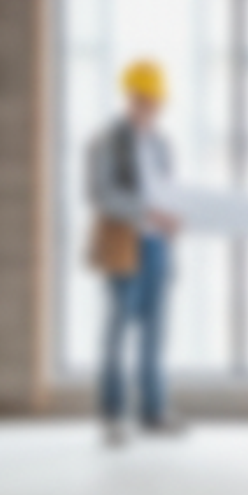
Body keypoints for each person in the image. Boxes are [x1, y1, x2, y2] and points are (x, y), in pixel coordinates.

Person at [88, 59, 181, 444]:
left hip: (158, 245)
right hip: (123, 246)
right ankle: (112, 415)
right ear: (130, 98)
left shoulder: (162, 143)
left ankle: (153, 411)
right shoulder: (105, 142)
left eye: (156, 102)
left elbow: (170, 191)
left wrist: (175, 217)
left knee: (155, 334)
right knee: (117, 330)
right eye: (143, 100)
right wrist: (147, 211)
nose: (150, 108)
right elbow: (100, 194)